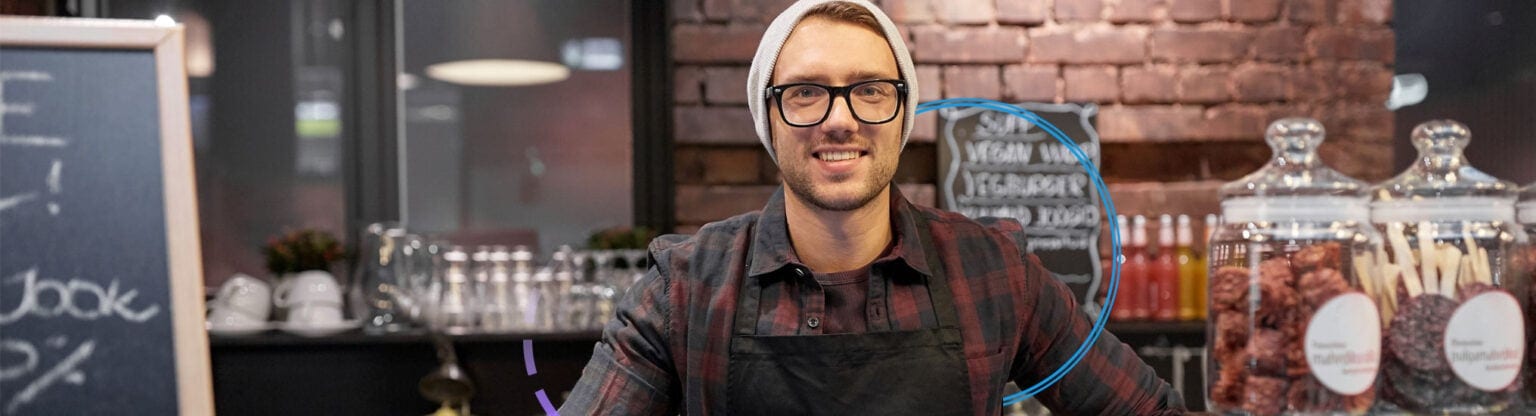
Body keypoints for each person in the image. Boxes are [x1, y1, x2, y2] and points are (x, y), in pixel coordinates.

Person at [560, 0, 1184, 414]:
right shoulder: (684, 288)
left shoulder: (997, 271)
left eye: (870, 90)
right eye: (806, 92)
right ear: (767, 118)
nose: (840, 119)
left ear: (902, 112)